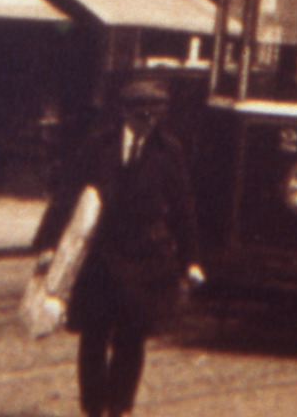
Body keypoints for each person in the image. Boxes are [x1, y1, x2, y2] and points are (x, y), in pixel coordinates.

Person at [32, 76, 203, 417]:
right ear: (125, 113)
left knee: (132, 337)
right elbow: (67, 195)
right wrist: (49, 244)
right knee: (93, 336)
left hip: (143, 258)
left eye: (155, 115)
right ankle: (93, 408)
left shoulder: (169, 151)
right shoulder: (98, 146)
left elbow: (183, 208)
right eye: (141, 116)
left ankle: (120, 408)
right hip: (100, 256)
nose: (147, 123)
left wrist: (192, 261)